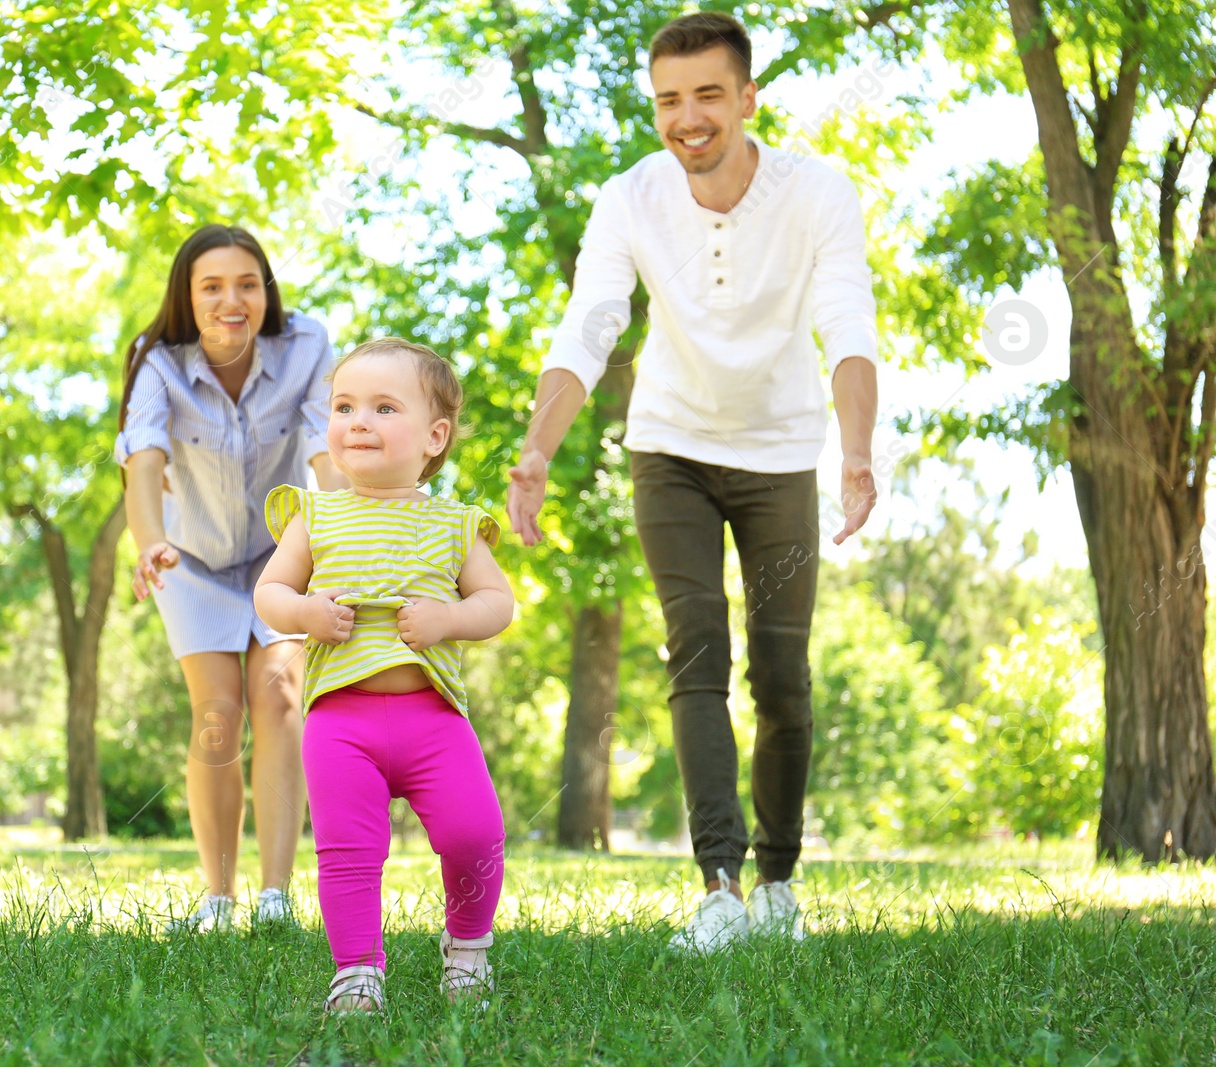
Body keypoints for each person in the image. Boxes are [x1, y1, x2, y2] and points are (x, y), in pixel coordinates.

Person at [506, 11, 879, 953]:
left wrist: (858, 449)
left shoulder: (819, 195)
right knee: (694, 651)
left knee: (783, 674)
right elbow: (590, 323)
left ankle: (779, 884)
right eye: (669, 100)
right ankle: (719, 887)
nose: (688, 118)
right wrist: (541, 448)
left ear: (748, 98)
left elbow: (848, 324)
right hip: (668, 445)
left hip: (782, 451)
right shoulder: (629, 197)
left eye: (708, 95)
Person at [254, 337, 515, 1012]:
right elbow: (270, 593)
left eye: (383, 406)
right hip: (341, 720)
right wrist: (306, 612)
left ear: (435, 436)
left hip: (433, 719)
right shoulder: (313, 514)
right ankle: (358, 968)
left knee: (475, 833)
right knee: (348, 850)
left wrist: (447, 619)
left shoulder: (457, 525)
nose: (358, 420)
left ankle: (467, 947)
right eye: (344, 406)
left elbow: (498, 602)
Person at [117, 222, 349, 932]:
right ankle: (218, 897)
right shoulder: (154, 359)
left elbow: (324, 447)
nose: (231, 301)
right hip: (192, 558)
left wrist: (342, 538)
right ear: (187, 299)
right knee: (218, 714)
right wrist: (152, 541)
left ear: (266, 290)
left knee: (279, 692)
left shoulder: (306, 344)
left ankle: (275, 897)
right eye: (211, 287)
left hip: (285, 554)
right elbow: (145, 458)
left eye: (247, 284)